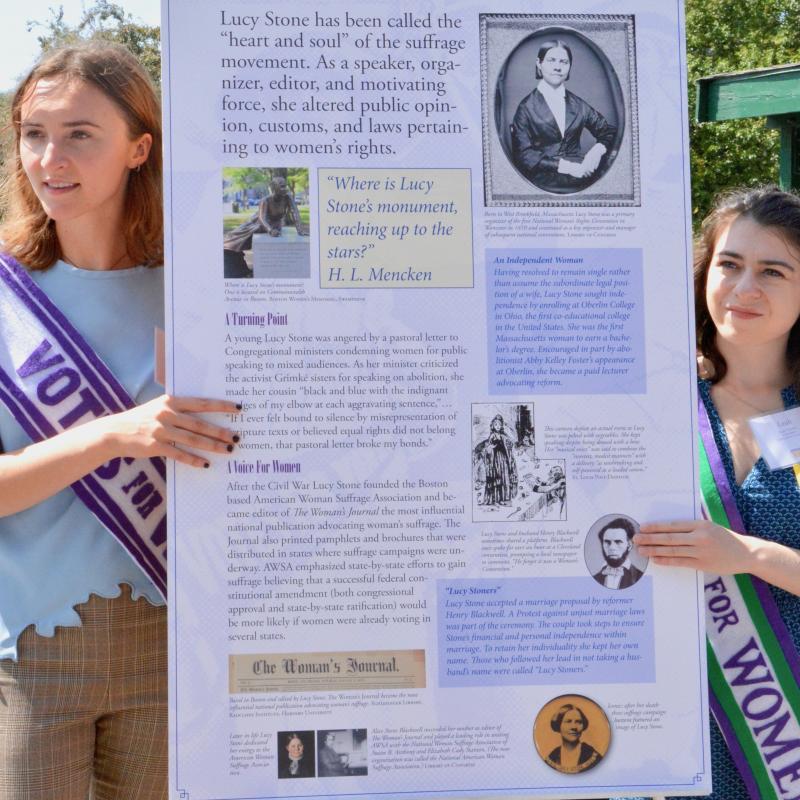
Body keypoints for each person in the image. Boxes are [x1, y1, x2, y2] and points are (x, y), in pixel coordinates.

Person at [0, 43, 238, 799]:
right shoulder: (5, 294)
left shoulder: (200, 292)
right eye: (33, 134)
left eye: (79, 134)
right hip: (30, 655)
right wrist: (111, 435)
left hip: (173, 647)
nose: (49, 158)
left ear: (140, 147)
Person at [635, 186, 800, 800]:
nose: (744, 288)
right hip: (677, 726)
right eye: (729, 264)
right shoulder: (650, 406)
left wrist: (747, 555)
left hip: (788, 737)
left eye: (773, 271)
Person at [511, 40, 617, 194]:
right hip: (541, 182)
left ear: (569, 67)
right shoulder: (526, 107)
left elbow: (608, 131)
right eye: (551, 60)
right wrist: (566, 167)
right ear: (539, 63)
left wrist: (596, 152)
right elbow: (524, 155)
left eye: (564, 62)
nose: (557, 67)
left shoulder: (578, 104)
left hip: (583, 175)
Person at [223, 175, 309, 278]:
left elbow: (294, 212)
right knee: (232, 238)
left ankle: (240, 268)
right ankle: (237, 267)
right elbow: (262, 218)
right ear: (274, 187)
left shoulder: (287, 197)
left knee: (234, 240)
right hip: (257, 223)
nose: (285, 188)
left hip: (273, 224)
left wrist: (300, 229)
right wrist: (270, 230)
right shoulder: (266, 200)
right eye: (281, 186)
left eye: (285, 186)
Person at [544, 703, 603, 774]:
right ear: (559, 725)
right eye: (568, 721)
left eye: (578, 722)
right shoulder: (552, 757)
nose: (574, 727)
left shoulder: (593, 756)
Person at [476, 414, 518, 507]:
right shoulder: (492, 436)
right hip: (496, 461)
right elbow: (488, 449)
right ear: (493, 426)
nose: (498, 426)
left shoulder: (504, 435)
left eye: (499, 425)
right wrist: (490, 449)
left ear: (501, 425)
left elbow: (510, 444)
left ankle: (505, 498)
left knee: (505, 478)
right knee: (498, 479)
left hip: (504, 460)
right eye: (496, 425)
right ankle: (497, 499)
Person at [591, 516, 643, 589]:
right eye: (607, 542)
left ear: (629, 545)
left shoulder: (640, 577)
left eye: (618, 542)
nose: (612, 547)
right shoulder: (593, 578)